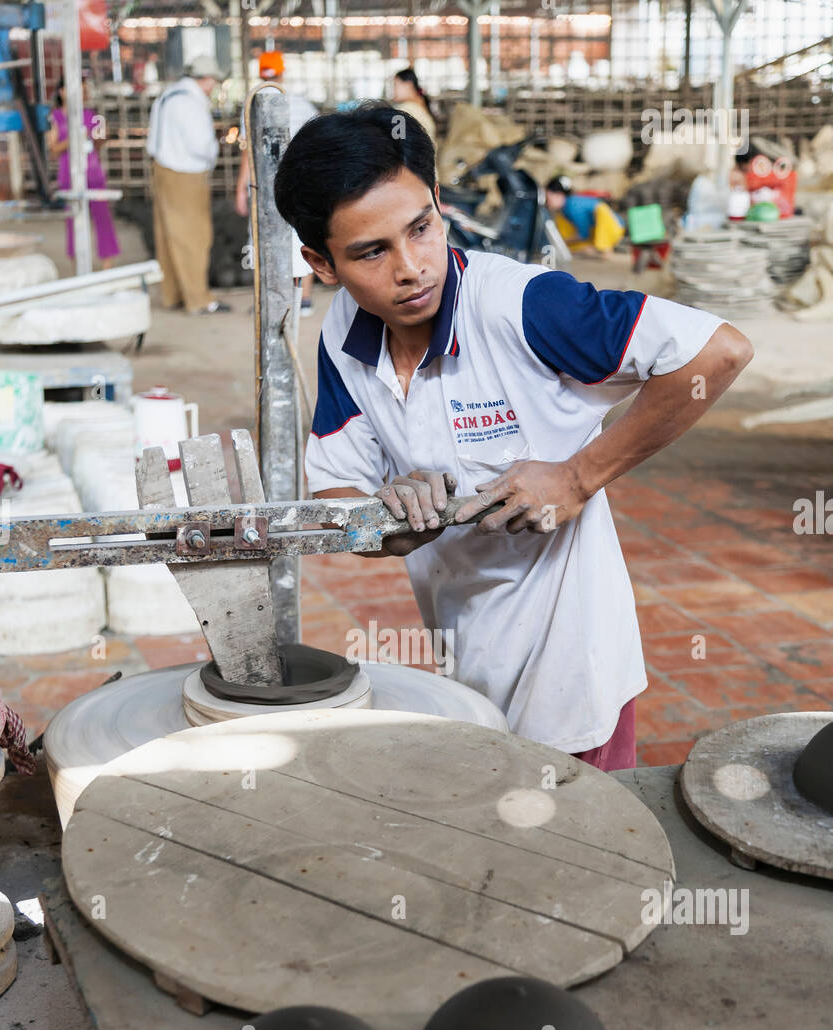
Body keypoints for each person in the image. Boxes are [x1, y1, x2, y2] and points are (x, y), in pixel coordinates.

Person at [274, 104, 753, 769]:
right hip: (466, 664)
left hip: (572, 679)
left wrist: (577, 477)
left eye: (421, 229)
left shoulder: (523, 307)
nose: (412, 267)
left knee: (586, 853)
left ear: (440, 205)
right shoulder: (342, 336)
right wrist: (380, 523)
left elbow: (718, 351)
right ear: (321, 264)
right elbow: (336, 483)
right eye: (371, 252)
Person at [236, 50, 319, 314]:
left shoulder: (252, 105)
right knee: (303, 236)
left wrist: (241, 189)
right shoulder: (302, 104)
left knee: (263, 238)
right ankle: (303, 299)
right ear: (282, 73)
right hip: (301, 182)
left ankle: (269, 300)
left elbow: (247, 151)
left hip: (264, 186)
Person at [146, 54, 230, 314]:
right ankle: (198, 299)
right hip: (185, 174)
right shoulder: (190, 103)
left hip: (162, 168)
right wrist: (215, 149)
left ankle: (173, 294)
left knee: (168, 235)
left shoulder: (168, 95)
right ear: (205, 79)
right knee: (193, 236)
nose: (214, 86)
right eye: (213, 81)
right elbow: (200, 145)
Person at [47, 77, 120, 270]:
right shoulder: (55, 118)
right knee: (72, 220)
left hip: (93, 173)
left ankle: (107, 265)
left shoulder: (90, 115)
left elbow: (99, 141)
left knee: (103, 218)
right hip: (68, 175)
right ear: (62, 92)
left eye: (82, 90)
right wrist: (73, 139)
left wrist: (99, 137)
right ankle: (76, 265)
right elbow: (53, 150)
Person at [544, 175, 625, 257]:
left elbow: (584, 234)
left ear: (559, 194)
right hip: (597, 233)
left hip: (615, 227)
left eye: (547, 199)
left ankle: (604, 248)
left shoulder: (572, 206)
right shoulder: (565, 208)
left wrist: (561, 242)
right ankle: (595, 248)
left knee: (601, 209)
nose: (546, 203)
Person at [391, 68, 437, 148]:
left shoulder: (405, 109)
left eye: (395, 85)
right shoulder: (421, 104)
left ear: (408, 85)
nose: (393, 91)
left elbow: (397, 141)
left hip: (413, 158)